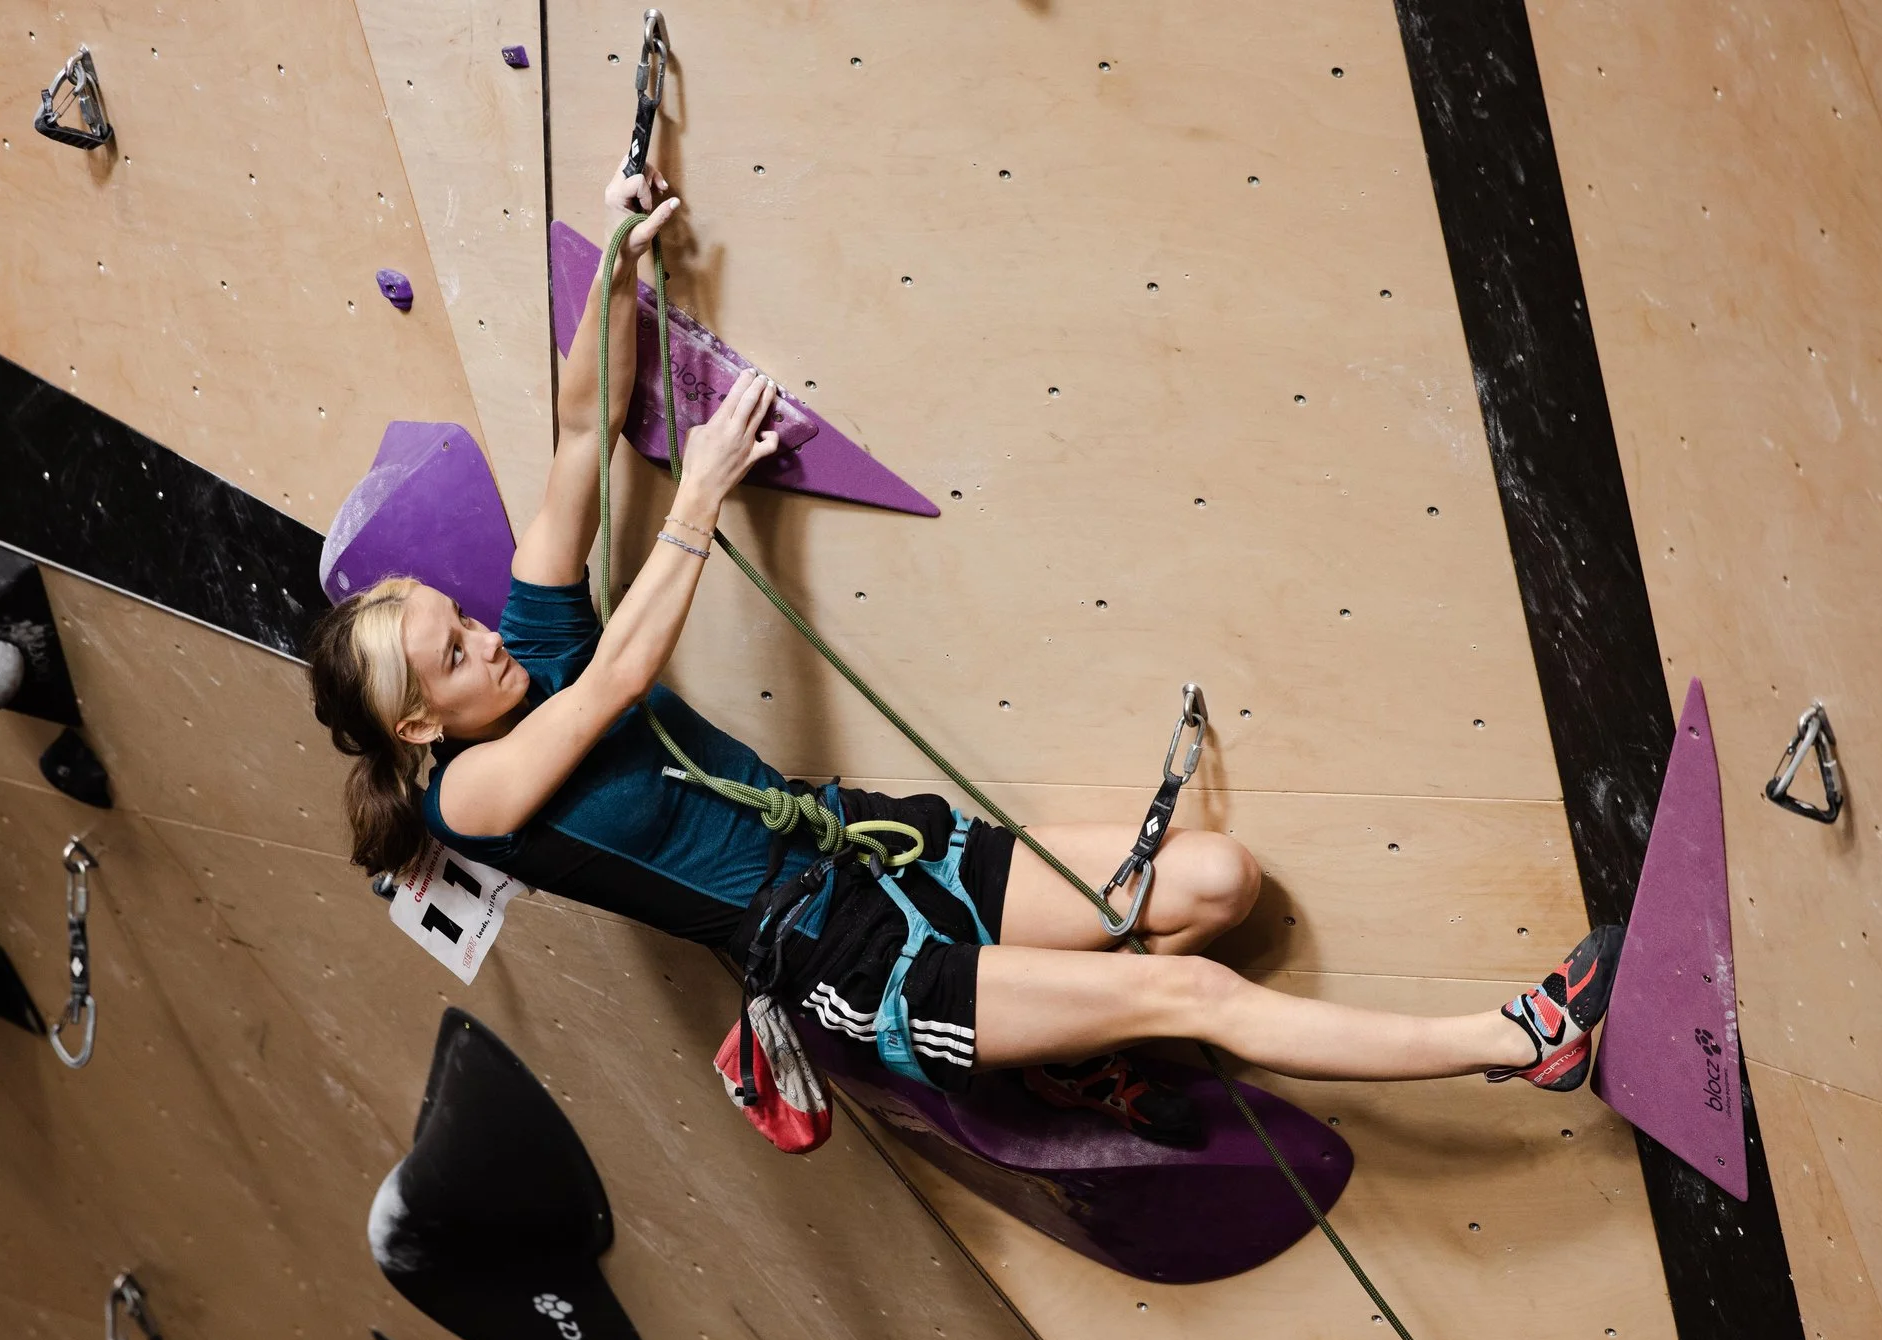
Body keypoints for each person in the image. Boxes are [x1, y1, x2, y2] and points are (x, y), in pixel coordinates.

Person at [306, 155, 1622, 1145]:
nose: (482, 635)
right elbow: (619, 683)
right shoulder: (472, 800)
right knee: (1201, 1000)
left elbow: (581, 443)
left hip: (881, 848)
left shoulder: (528, 647)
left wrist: (617, 266)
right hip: (851, 961)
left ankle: (1066, 1047)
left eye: (458, 618)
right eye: (450, 654)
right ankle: (1519, 1042)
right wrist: (698, 497)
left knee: (1217, 882)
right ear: (418, 726)